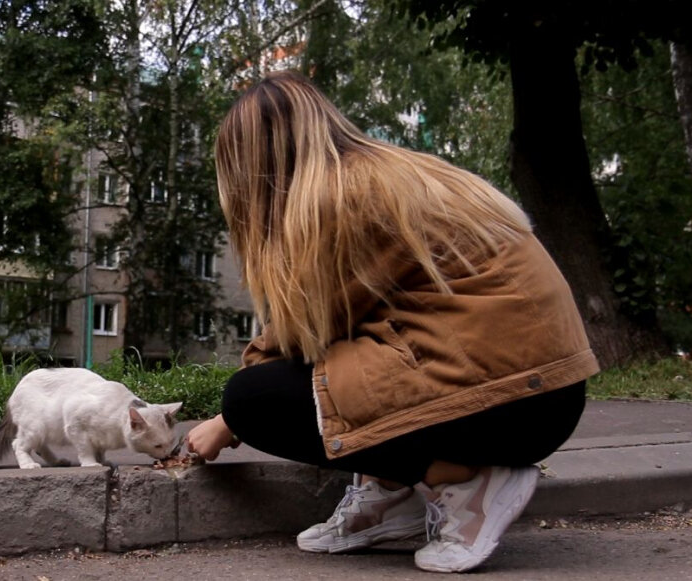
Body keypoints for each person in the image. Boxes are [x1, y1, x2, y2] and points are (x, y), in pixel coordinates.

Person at [186, 70, 599, 574]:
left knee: (254, 400)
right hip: (545, 393)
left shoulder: (337, 199)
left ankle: (465, 484)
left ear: (252, 167)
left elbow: (305, 334)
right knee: (339, 368)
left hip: (508, 403)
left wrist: (229, 422)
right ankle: (392, 495)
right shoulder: (393, 171)